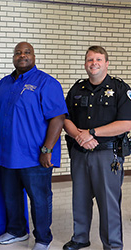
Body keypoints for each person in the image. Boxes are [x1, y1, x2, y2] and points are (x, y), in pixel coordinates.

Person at [0, 42, 68, 250]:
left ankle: (43, 238)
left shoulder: (47, 83)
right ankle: (17, 231)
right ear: (13, 57)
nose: (22, 56)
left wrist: (47, 149)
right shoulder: (4, 83)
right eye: (18, 52)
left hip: (35, 156)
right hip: (6, 154)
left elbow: (58, 118)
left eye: (27, 52)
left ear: (34, 56)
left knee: (40, 199)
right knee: (11, 196)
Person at [62, 46, 131, 250]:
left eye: (99, 59)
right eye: (90, 59)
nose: (94, 63)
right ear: (85, 64)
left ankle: (112, 245)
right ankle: (80, 238)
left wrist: (91, 133)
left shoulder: (120, 89)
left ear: (107, 63)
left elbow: (127, 123)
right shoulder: (77, 89)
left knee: (108, 202)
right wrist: (78, 135)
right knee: (80, 198)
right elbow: (65, 119)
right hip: (80, 152)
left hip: (107, 154)